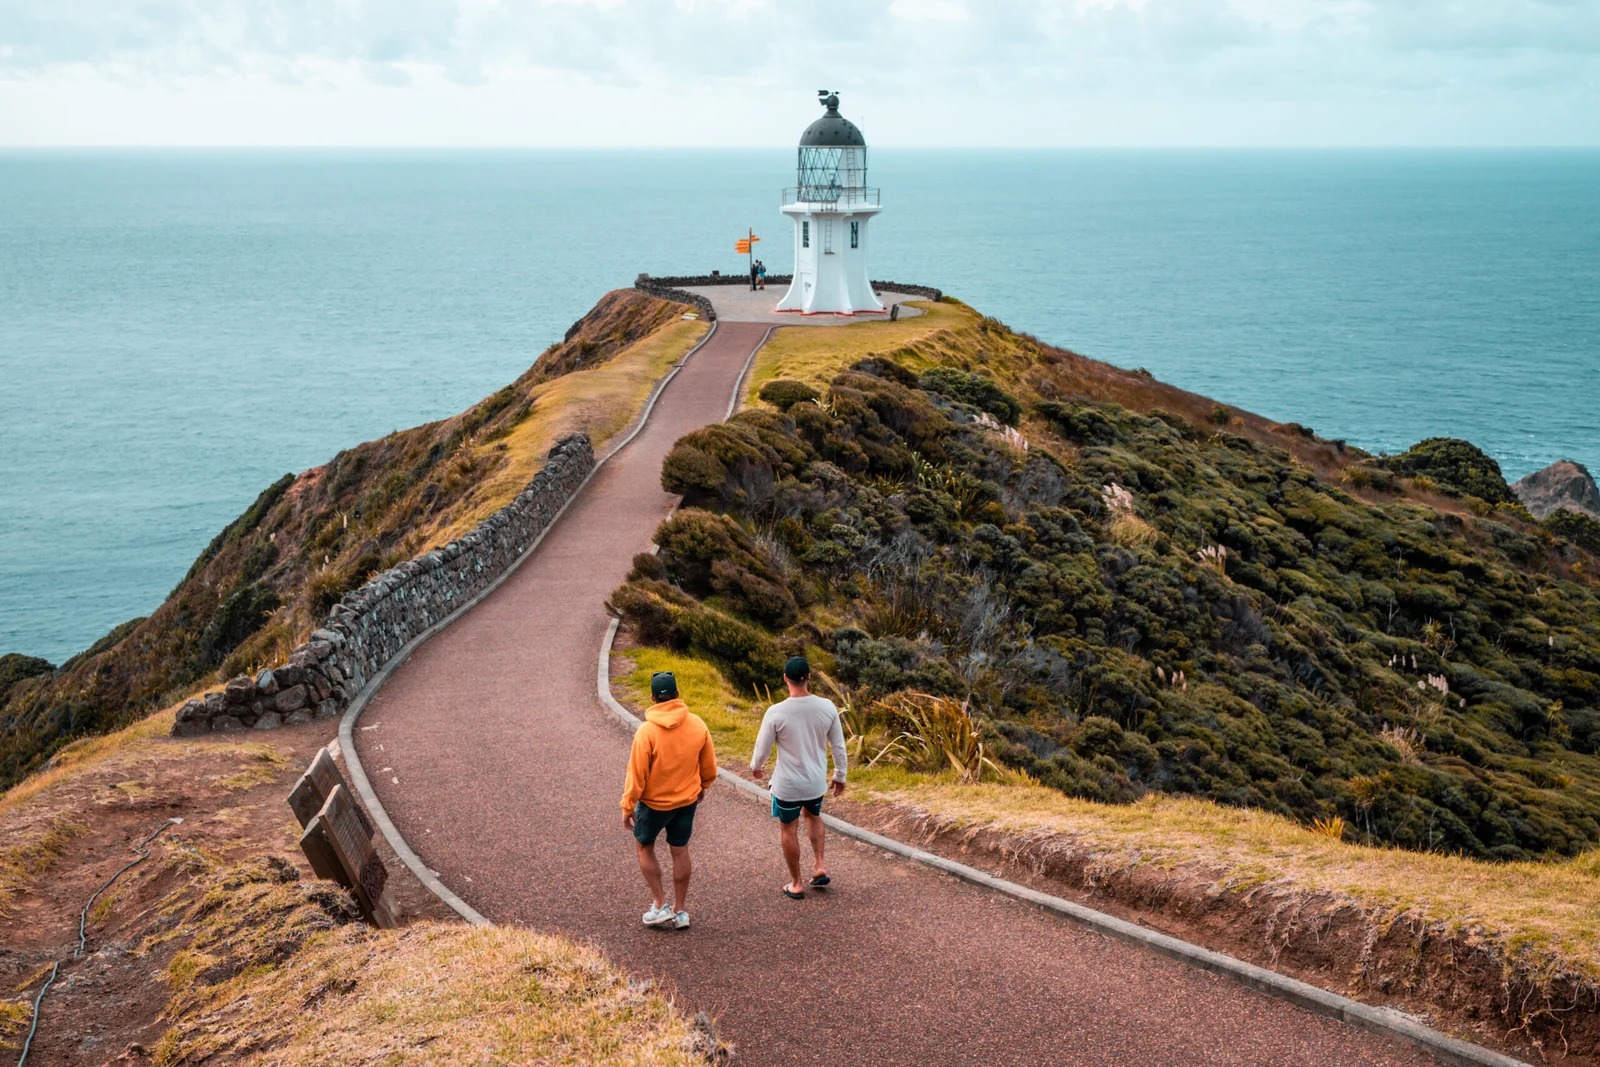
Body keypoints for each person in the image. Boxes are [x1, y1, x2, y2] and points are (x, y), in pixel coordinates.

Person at [621, 670, 718, 929]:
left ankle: (660, 904)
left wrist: (627, 806)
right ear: (677, 694)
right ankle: (680, 911)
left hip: (653, 805)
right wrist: (702, 787)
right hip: (686, 802)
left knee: (645, 846)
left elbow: (636, 774)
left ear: (653, 697)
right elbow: (710, 768)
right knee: (680, 850)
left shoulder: (647, 731)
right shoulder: (697, 724)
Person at [750, 656, 846, 899]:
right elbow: (838, 746)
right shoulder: (827, 707)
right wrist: (840, 775)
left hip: (788, 786)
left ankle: (796, 883)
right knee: (813, 816)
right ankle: (820, 865)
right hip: (815, 783)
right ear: (809, 677)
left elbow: (762, 749)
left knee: (788, 829)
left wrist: (756, 766)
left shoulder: (776, 712)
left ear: (785, 679)